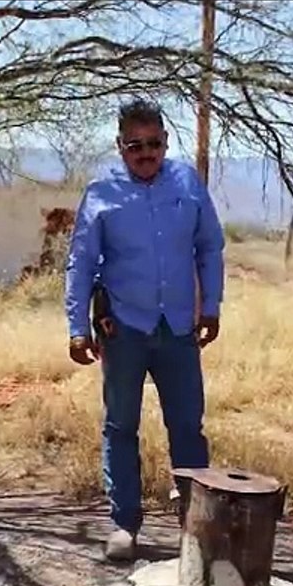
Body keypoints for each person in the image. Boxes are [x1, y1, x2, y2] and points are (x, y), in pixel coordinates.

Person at [64, 98, 225, 562]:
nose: (146, 153)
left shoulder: (186, 183)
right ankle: (124, 524)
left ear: (166, 143)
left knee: (187, 427)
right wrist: (78, 327)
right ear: (120, 147)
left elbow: (209, 247)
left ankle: (197, 525)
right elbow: (80, 263)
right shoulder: (101, 191)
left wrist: (210, 306)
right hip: (124, 328)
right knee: (120, 426)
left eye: (154, 144)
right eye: (135, 145)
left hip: (178, 327)